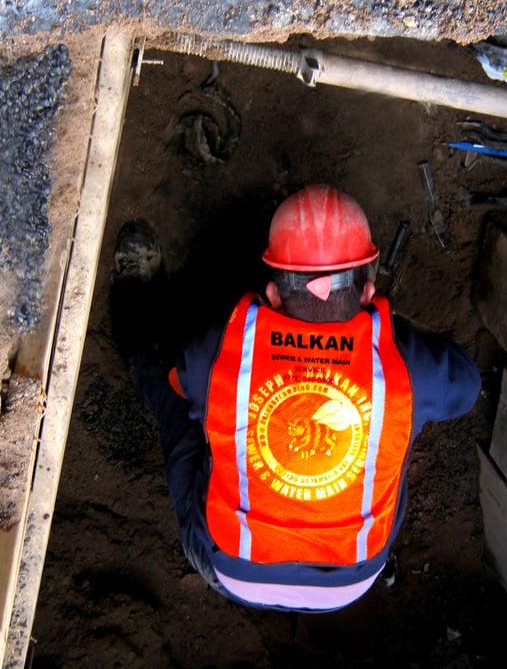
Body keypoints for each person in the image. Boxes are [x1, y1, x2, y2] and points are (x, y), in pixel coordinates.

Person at [115, 185, 481, 612]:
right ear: (367, 294)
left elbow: (183, 382)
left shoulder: (222, 350)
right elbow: (467, 384)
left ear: (271, 295)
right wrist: (389, 334)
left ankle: (132, 301)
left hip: (228, 567)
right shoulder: (406, 366)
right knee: (389, 435)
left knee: (175, 402)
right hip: (352, 581)